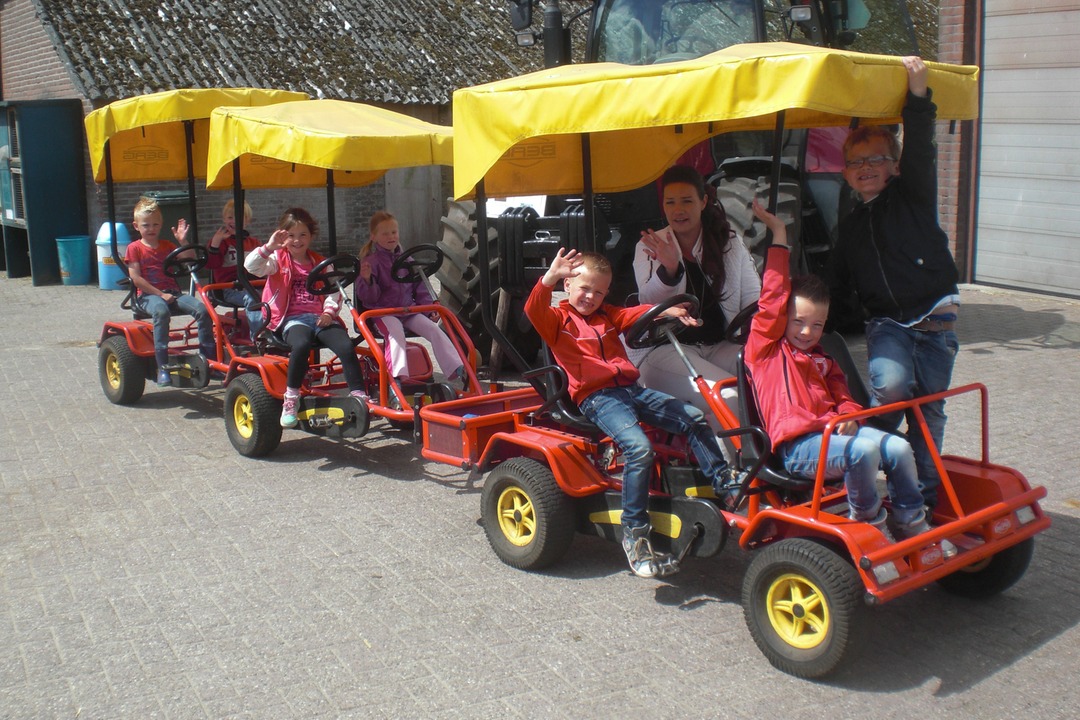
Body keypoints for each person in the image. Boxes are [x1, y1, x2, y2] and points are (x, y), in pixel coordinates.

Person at [747, 199, 956, 556]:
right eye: (797, 321)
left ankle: (910, 519)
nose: (806, 331)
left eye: (817, 325)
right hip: (797, 447)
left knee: (899, 446)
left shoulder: (823, 358)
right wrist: (779, 233)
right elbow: (772, 299)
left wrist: (845, 414)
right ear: (783, 319)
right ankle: (868, 522)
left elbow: (843, 396)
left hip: (830, 438)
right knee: (865, 449)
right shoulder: (766, 349)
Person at [525, 248, 742, 579]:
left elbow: (635, 314)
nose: (591, 297)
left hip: (631, 391)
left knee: (695, 418)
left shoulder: (607, 316)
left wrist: (668, 311)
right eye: (584, 288)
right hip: (597, 398)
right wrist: (548, 278)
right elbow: (533, 309)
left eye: (599, 292)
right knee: (639, 448)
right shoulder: (557, 320)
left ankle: (725, 484)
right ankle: (635, 532)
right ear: (568, 284)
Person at [828, 57, 960, 512]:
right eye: (854, 163)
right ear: (844, 173)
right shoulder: (849, 226)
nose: (864, 168)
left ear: (895, 166)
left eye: (875, 160)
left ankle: (922, 495)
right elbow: (837, 281)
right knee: (891, 386)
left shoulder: (913, 196)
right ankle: (878, 448)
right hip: (887, 323)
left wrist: (918, 96)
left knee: (930, 411)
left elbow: (922, 148)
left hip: (934, 321)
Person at [633, 164, 761, 432]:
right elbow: (649, 302)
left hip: (719, 344)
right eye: (671, 202)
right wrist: (669, 269)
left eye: (687, 201)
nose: (678, 210)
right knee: (729, 395)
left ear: (703, 202)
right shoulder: (649, 245)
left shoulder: (729, 242)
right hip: (664, 350)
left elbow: (754, 299)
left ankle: (784, 451)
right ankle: (735, 469)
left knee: (769, 375)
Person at [244, 207, 368, 428]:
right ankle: (290, 398)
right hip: (291, 319)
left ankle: (359, 395)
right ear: (283, 236)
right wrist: (269, 246)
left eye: (303, 235)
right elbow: (251, 266)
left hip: (320, 318)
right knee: (300, 345)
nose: (297, 241)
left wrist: (329, 313)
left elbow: (334, 292)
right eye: (291, 235)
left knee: (346, 346)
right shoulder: (277, 259)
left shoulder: (320, 263)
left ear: (311, 236)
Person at [355, 210, 466, 391]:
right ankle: (398, 377)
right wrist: (367, 280)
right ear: (374, 237)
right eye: (385, 233)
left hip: (407, 311)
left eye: (394, 232)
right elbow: (368, 298)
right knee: (395, 331)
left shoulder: (407, 260)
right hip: (382, 313)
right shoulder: (371, 263)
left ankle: (458, 368)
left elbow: (420, 287)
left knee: (434, 329)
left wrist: (429, 309)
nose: (391, 236)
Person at [124, 197, 214, 387]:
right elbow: (136, 278)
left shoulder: (167, 246)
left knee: (203, 310)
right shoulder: (134, 248)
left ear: (161, 225)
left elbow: (190, 260)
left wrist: (182, 241)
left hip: (172, 293)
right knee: (161, 311)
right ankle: (162, 366)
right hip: (147, 296)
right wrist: (160, 294)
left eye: (155, 224)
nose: (151, 228)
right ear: (136, 226)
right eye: (146, 225)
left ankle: (207, 358)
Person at [176, 199, 264, 340]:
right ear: (224, 219)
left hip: (251, 285)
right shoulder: (221, 241)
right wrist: (216, 244)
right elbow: (211, 264)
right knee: (252, 298)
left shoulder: (254, 243)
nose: (234, 221)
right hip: (228, 288)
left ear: (247, 221)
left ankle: (278, 333)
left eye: (239, 218)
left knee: (276, 295)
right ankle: (259, 338)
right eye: (230, 217)